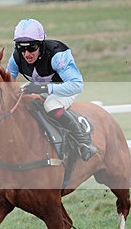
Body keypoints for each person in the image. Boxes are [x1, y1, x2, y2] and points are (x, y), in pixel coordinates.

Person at [6, 18, 98, 161]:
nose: (26, 54)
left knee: (51, 105)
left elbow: (77, 85)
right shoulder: (16, 57)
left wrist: (44, 88)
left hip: (63, 89)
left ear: (41, 45)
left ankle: (84, 142)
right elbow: (7, 85)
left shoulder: (57, 54)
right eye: (21, 48)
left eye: (31, 48)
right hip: (39, 88)